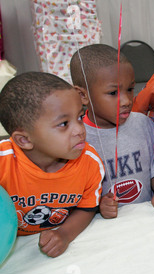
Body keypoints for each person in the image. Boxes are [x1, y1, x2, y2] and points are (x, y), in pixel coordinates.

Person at [0, 72, 105, 258]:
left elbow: (87, 208)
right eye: (64, 123)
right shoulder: (3, 161)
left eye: (80, 117)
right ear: (24, 140)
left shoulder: (89, 161)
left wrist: (64, 234)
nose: (80, 130)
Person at [70, 44, 154, 218]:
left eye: (130, 89)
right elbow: (77, 197)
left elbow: (153, 171)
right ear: (83, 95)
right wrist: (98, 207)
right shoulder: (77, 140)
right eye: (113, 93)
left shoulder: (143, 124)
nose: (127, 100)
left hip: (148, 219)